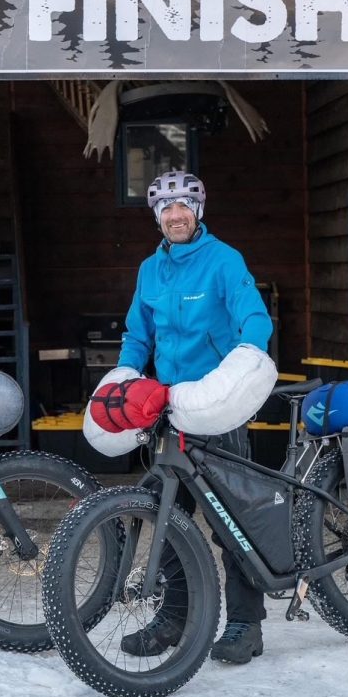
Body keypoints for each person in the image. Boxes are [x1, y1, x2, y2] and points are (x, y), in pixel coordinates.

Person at [115, 171, 273, 665]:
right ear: (157, 217)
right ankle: (173, 618)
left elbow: (254, 318)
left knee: (232, 520)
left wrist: (246, 361)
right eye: (167, 208)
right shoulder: (150, 270)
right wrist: (124, 375)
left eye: (184, 205)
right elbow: (138, 335)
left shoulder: (224, 260)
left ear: (198, 211)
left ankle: (246, 624)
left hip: (219, 408)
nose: (176, 215)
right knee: (168, 515)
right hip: (170, 409)